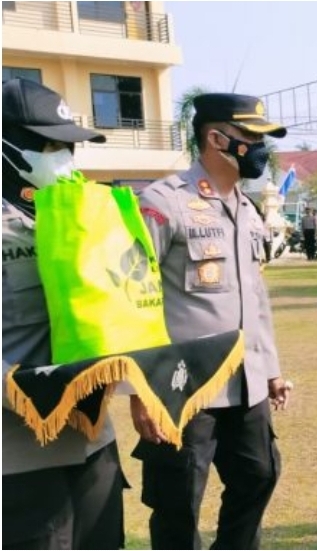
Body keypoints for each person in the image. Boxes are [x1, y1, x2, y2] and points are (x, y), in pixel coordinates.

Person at [130, 93, 292, 550]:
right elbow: (134, 296)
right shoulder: (164, 201)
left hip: (246, 381)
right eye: (252, 137)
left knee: (260, 474)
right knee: (178, 498)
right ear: (217, 139)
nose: (261, 149)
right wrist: (140, 389)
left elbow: (255, 297)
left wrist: (271, 368)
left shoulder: (246, 208)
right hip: (185, 385)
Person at [2, 78, 125, 549]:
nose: (66, 159)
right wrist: (28, 392)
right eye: (51, 146)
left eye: (69, 146)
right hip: (18, 453)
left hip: (92, 438)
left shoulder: (81, 217)